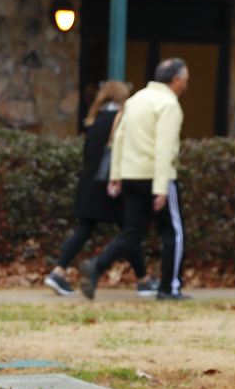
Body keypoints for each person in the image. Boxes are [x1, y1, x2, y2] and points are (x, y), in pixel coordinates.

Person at [80, 57, 189, 301]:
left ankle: (97, 265)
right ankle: (169, 287)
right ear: (174, 80)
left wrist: (117, 175)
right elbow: (164, 147)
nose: (185, 85)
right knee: (173, 233)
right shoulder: (169, 105)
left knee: (132, 232)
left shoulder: (136, 100)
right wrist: (161, 187)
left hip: (131, 175)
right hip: (156, 175)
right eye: (184, 79)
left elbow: (118, 138)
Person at [44, 81, 156, 297]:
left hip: (89, 183)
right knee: (130, 232)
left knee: (85, 230)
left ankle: (58, 271)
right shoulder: (120, 119)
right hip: (110, 185)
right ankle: (143, 280)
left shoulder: (94, 119)